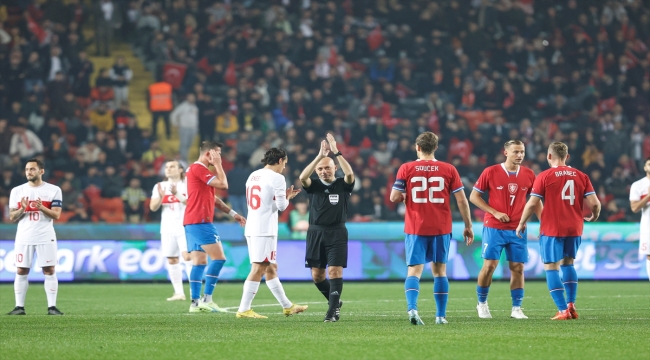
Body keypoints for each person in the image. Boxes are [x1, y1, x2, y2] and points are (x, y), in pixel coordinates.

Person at [389, 131, 474, 325]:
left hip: (415, 227)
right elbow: (461, 200)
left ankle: (412, 309)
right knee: (440, 272)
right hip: (440, 227)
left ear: (417, 147)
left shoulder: (406, 168)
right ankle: (440, 316)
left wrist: (404, 196)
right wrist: (468, 225)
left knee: (414, 271)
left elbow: (394, 197)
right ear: (436, 148)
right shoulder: (449, 169)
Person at [516, 142, 601, 320]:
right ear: (567, 156)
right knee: (568, 263)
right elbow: (594, 203)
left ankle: (562, 310)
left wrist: (522, 222)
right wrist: (594, 216)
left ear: (549, 156)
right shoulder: (581, 175)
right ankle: (571, 305)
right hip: (575, 227)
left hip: (552, 227)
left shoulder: (545, 176)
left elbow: (532, 203)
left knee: (551, 267)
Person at [469, 140, 541, 319]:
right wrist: (494, 212)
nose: (520, 155)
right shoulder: (491, 172)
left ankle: (517, 308)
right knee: (489, 266)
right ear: (506, 152)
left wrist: (544, 222)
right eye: (516, 151)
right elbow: (474, 196)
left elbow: (535, 200)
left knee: (518, 267)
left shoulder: (529, 174)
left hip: (518, 228)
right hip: (494, 227)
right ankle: (482, 303)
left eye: (522, 152)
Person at [236, 148, 308, 319]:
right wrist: (286, 197)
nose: (284, 167)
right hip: (264, 228)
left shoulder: (253, 175)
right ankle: (244, 309)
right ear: (281, 160)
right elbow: (282, 207)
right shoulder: (277, 178)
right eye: (285, 163)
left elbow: (265, 203)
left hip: (253, 224)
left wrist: (281, 198)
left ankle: (287, 306)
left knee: (271, 267)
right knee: (259, 267)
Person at [184, 141, 246, 313]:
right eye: (217, 153)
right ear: (208, 153)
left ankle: (195, 303)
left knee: (200, 262)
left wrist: (233, 214)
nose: (219, 157)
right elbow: (224, 185)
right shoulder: (198, 168)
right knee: (219, 259)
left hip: (191, 221)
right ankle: (207, 299)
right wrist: (219, 165)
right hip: (200, 221)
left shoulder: (196, 171)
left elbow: (214, 199)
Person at [298, 133, 355, 322]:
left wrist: (336, 151)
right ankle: (335, 302)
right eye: (320, 169)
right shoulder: (313, 186)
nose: (324, 171)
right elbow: (302, 177)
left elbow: (350, 174)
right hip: (315, 233)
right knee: (317, 275)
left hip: (337, 233)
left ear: (334, 168)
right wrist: (319, 156)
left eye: (327, 168)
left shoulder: (342, 185)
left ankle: (332, 312)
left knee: (335, 271)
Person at [7, 158, 64, 316]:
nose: (28, 172)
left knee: (49, 270)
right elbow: (12, 217)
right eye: (26, 169)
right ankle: (19, 307)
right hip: (24, 236)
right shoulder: (17, 191)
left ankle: (52, 307)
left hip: (45, 235)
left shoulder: (53, 190)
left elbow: (57, 215)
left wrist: (41, 208)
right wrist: (22, 209)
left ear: (41, 171)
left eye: (32, 169)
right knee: (21, 270)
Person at [149, 160, 192, 301]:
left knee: (188, 258)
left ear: (180, 170)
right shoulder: (159, 186)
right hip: (167, 227)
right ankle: (179, 292)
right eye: (166, 167)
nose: (168, 169)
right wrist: (161, 196)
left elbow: (191, 203)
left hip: (185, 226)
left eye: (172, 166)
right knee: (172, 259)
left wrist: (177, 194)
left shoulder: (188, 185)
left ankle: (194, 292)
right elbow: (153, 207)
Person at [629, 157, 650, 281]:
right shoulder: (638, 185)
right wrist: (648, 196)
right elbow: (634, 207)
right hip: (648, 226)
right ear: (644, 167)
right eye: (649, 164)